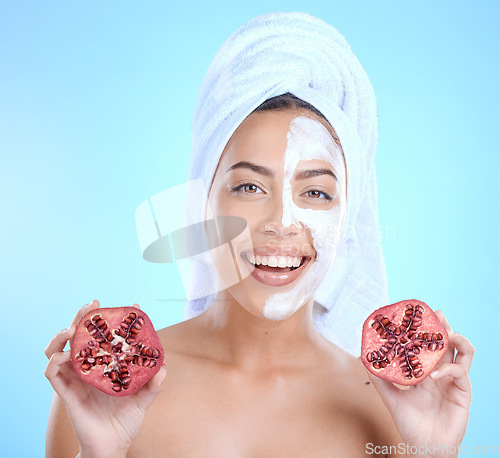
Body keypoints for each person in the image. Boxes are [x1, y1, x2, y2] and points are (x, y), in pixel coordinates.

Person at [45, 13, 473, 457]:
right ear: (203, 201)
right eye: (249, 187)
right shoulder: (105, 392)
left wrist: (435, 454)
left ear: (348, 218)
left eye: (315, 192)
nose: (282, 222)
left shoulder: (393, 412)